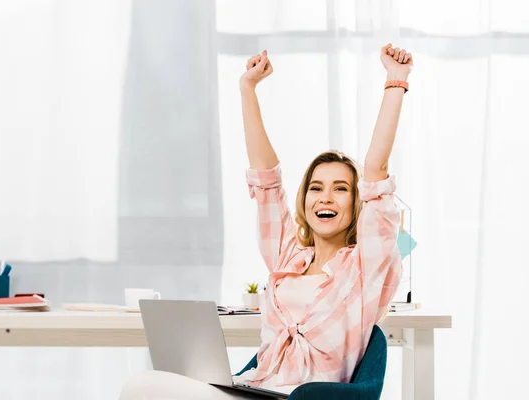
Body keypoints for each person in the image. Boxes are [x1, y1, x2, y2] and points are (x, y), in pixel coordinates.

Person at [119, 43, 412, 399]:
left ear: (356, 203)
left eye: (340, 189)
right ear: (305, 200)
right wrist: (247, 88)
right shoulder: (287, 258)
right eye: (316, 188)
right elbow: (266, 180)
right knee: (141, 385)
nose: (326, 197)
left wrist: (396, 82)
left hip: (300, 398)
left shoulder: (365, 268)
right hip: (257, 388)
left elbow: (377, 172)